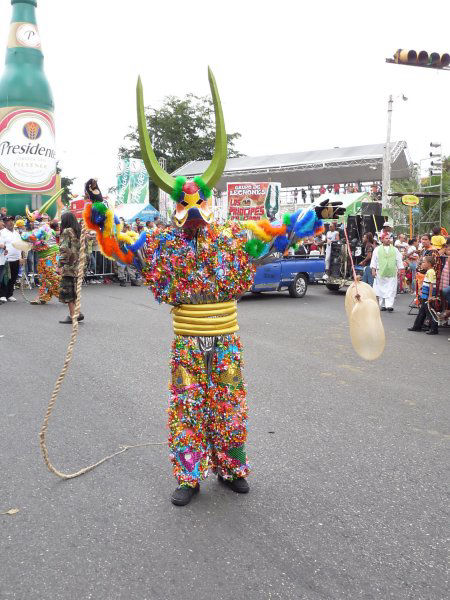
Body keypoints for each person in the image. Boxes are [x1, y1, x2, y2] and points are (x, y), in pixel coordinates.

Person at [21, 221, 60, 304]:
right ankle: (43, 297)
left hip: (51, 255)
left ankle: (65, 293)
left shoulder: (47, 229)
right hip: (41, 257)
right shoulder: (31, 234)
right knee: (42, 277)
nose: (32, 224)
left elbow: (43, 240)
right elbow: (29, 241)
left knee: (52, 275)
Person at [58, 212, 84, 324]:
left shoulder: (66, 231)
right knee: (76, 291)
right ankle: (78, 312)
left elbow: (64, 250)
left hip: (69, 266)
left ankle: (73, 315)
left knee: (68, 292)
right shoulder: (79, 231)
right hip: (79, 266)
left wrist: (60, 265)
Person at [370, 233, 404, 311]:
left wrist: (400, 269)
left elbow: (399, 260)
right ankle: (382, 305)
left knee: (391, 289)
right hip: (380, 273)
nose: (388, 240)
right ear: (382, 240)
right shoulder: (377, 249)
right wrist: (373, 270)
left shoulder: (395, 249)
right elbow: (374, 260)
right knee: (380, 289)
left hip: (392, 272)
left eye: (389, 238)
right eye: (386, 238)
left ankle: (389, 305)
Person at [408, 255, 438, 335]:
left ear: (429, 263)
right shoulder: (429, 271)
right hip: (425, 295)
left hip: (428, 296)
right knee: (422, 312)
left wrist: (430, 296)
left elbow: (431, 284)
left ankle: (434, 329)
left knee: (430, 313)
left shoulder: (431, 272)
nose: (422, 263)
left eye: (424, 262)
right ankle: (417, 326)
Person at [0, 216, 22, 302]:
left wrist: (20, 257)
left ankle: (9, 294)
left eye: (12, 220)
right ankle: (2, 294)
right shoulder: (2, 232)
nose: (10, 222)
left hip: (16, 258)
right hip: (6, 259)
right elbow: (1, 244)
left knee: (13, 277)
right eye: (8, 221)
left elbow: (20, 245)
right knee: (5, 278)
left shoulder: (16, 233)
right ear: (5, 223)